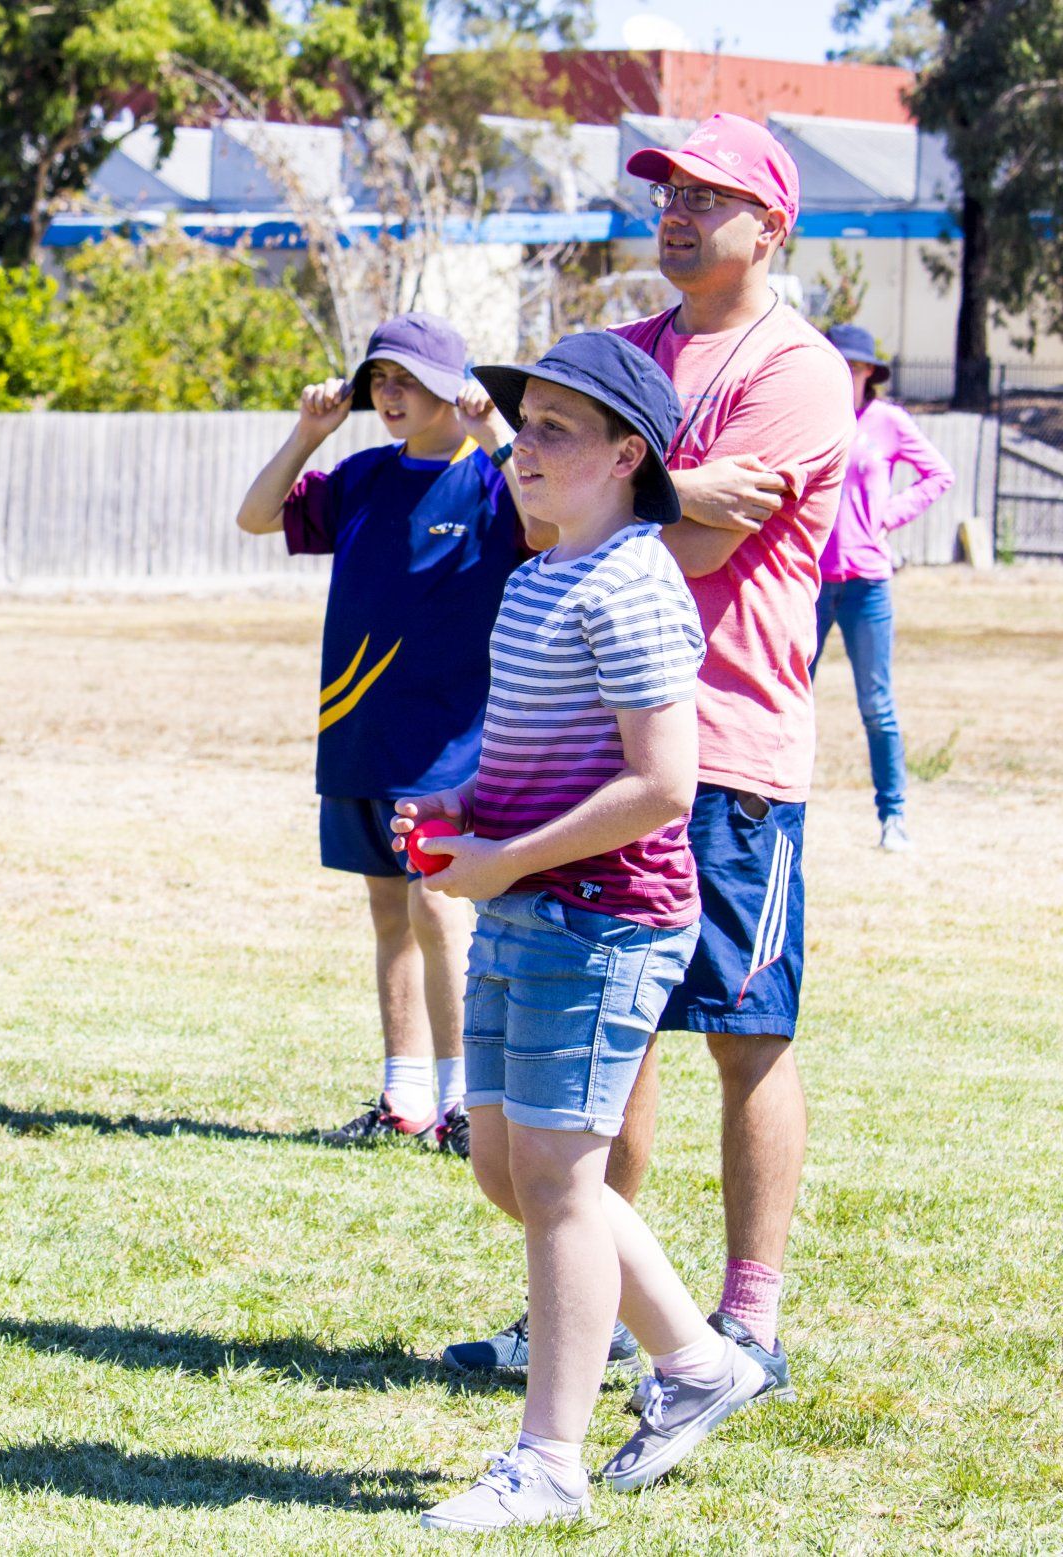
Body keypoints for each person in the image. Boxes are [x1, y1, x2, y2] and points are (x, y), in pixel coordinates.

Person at [443, 113, 854, 1404]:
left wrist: (626, 500)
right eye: (668, 189)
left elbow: (698, 539)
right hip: (587, 752)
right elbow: (587, 520)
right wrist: (654, 494)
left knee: (747, 1031)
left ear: (772, 224)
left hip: (727, 750)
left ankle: (749, 1316)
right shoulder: (628, 354)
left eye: (712, 194)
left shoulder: (796, 368)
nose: (678, 210)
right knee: (609, 1051)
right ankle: (595, 1313)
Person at [400, 332, 766, 1534]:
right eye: (524, 424)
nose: (523, 447)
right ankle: (703, 1367)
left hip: (599, 922)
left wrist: (504, 858)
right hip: (526, 904)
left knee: (559, 1178)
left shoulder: (635, 582)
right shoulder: (541, 575)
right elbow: (538, 758)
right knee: (507, 1169)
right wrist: (468, 808)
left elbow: (665, 784)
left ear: (628, 456)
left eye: (557, 429)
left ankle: (548, 1461)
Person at [234, 313, 537, 1156]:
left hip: (447, 743)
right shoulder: (363, 474)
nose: (390, 394)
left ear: (453, 384)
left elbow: (545, 525)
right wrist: (306, 433)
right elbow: (257, 516)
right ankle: (404, 1097)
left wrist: (497, 434)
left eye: (407, 379)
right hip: (358, 735)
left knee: (440, 908)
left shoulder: (486, 480)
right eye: (380, 381)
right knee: (386, 911)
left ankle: (466, 1100)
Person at [814, 322, 953, 852]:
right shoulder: (812, 419)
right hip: (809, 581)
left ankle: (893, 815)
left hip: (867, 582)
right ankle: (775, 812)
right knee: (787, 698)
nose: (845, 373)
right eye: (838, 363)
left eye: (854, 366)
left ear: (869, 372)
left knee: (876, 703)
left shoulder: (888, 421)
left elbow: (938, 476)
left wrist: (886, 517)